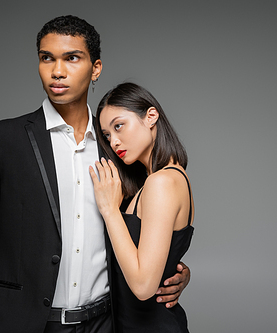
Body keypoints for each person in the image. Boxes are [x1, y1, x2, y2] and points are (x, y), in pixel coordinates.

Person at [0, 15, 190, 333]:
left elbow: (146, 233)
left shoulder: (118, 149)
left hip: (107, 323)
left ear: (96, 69)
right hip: (28, 325)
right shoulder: (2, 140)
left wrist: (175, 271)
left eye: (72, 58)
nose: (57, 71)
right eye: (46, 58)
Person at [89, 82, 194, 332]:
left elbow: (144, 286)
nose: (114, 141)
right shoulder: (157, 180)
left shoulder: (162, 182)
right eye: (107, 135)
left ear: (150, 116)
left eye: (119, 126)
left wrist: (110, 210)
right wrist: (181, 272)